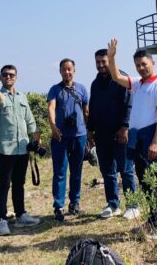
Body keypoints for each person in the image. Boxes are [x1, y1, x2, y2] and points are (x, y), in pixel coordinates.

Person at [107, 39, 157, 229]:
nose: (141, 68)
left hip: (152, 139)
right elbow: (116, 77)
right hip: (138, 140)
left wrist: (155, 142)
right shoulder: (138, 84)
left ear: (152, 63)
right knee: (146, 182)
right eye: (138, 65)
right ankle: (153, 220)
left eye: (144, 64)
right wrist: (111, 58)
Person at [0, 65, 41, 236]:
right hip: (5, 149)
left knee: (19, 183)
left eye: (11, 75)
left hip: (22, 148)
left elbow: (29, 119)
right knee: (3, 185)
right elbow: (0, 101)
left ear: (16, 77)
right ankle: (1, 220)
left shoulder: (21, 97)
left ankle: (21, 215)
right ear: (1, 78)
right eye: (5, 75)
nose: (8, 77)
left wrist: (36, 136)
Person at [87, 48, 138, 220]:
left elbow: (129, 104)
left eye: (104, 61)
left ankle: (133, 205)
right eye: (98, 62)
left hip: (120, 133)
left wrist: (125, 127)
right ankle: (113, 204)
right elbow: (92, 107)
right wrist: (90, 130)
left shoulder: (121, 78)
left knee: (126, 169)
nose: (101, 65)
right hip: (102, 134)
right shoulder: (95, 84)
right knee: (107, 171)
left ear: (110, 61)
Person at [47, 59, 89, 222]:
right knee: (60, 172)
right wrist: (53, 126)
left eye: (70, 69)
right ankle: (58, 206)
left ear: (74, 70)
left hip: (79, 135)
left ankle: (75, 203)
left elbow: (86, 111)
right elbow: (51, 107)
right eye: (64, 69)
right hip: (60, 136)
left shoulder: (82, 89)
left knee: (76, 171)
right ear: (60, 71)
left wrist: (90, 133)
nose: (67, 72)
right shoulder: (55, 89)